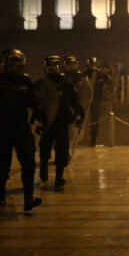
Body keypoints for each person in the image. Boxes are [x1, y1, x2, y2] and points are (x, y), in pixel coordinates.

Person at [0, 49, 42, 212]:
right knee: (2, 164)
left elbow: (34, 103)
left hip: (21, 127)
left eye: (18, 65)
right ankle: (1, 193)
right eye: (12, 65)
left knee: (29, 161)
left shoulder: (26, 81)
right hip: (1, 128)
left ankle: (28, 197)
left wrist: (40, 118)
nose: (15, 68)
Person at [35, 55, 84, 191]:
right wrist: (38, 120)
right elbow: (36, 104)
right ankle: (43, 167)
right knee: (44, 148)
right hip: (46, 122)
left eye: (54, 67)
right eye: (50, 67)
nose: (52, 70)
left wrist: (79, 114)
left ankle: (59, 176)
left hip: (61, 121)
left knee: (62, 149)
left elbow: (75, 100)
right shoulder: (41, 83)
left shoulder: (66, 83)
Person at [86, 57, 111, 147]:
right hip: (90, 99)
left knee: (94, 118)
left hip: (95, 99)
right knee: (90, 118)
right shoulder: (87, 73)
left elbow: (108, 82)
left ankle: (93, 139)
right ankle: (90, 138)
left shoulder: (101, 74)